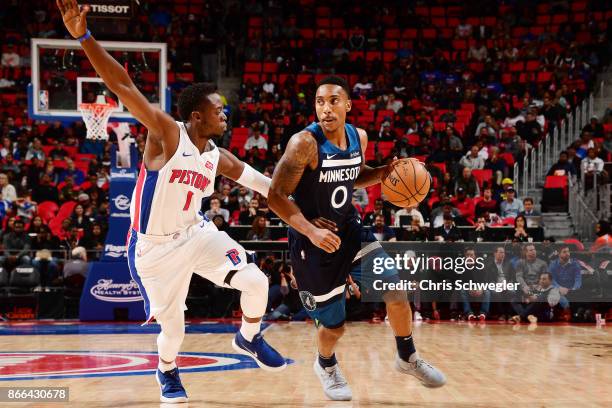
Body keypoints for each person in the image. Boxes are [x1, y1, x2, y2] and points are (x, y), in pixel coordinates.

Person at [56, 2, 286, 403]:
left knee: (256, 281)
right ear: (197, 116)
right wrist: (83, 37)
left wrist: (307, 206)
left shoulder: (217, 156)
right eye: (219, 110)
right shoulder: (166, 133)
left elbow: (266, 187)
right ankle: (167, 370)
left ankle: (248, 337)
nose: (226, 114)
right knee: (174, 329)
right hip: (154, 249)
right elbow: (122, 85)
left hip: (196, 234)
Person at [268, 76, 445, 401]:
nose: (326, 108)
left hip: (348, 229)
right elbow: (276, 196)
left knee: (395, 288)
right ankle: (326, 365)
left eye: (333, 101)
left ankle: (407, 356)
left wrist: (382, 173)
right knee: (334, 327)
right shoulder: (304, 143)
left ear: (348, 105)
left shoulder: (357, 136)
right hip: (312, 242)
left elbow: (353, 176)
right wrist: (311, 229)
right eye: (320, 102)